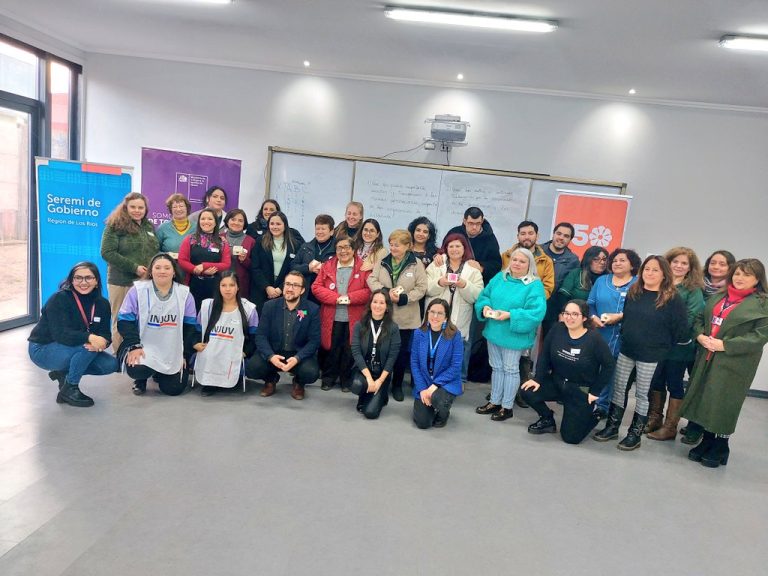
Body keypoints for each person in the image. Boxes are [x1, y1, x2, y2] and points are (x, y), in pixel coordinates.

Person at [593, 255, 688, 450]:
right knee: (619, 389)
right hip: (628, 349)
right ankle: (612, 427)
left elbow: (680, 330)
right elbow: (627, 316)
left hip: (652, 356)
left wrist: (661, 346)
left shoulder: (672, 298)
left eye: (655, 270)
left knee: (642, 394)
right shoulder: (634, 291)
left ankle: (634, 434)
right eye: (647, 269)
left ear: (664, 274)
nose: (650, 273)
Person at [680, 258, 768, 468]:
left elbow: (759, 336)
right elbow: (700, 318)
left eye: (747, 274)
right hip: (707, 356)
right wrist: (700, 336)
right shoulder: (720, 296)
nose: (740, 278)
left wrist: (725, 345)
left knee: (725, 402)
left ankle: (721, 445)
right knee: (706, 398)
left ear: (757, 279)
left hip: (735, 362)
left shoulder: (763, 303)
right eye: (737, 273)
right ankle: (707, 440)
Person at [520, 299, 615, 444]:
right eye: (566, 313)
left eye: (575, 314)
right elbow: (545, 355)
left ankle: (594, 414)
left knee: (571, 438)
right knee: (527, 390)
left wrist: (595, 391)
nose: (569, 318)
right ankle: (547, 418)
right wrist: (538, 379)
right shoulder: (557, 329)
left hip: (580, 390)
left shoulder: (594, 339)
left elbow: (609, 365)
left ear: (584, 318)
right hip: (557, 382)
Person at [28, 262, 119, 407]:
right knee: (86, 346)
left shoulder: (102, 304)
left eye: (88, 278)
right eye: (78, 278)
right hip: (43, 348)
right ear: (71, 280)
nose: (83, 282)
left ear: (96, 281)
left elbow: (105, 333)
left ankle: (63, 374)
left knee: (110, 364)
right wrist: (90, 338)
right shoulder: (59, 299)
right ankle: (70, 388)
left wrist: (103, 343)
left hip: (74, 346)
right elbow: (61, 334)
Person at [474, 247, 546, 422]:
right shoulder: (500, 277)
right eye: (514, 260)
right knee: (496, 367)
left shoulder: (534, 285)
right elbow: (485, 295)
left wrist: (511, 315)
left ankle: (506, 407)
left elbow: (536, 312)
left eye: (522, 261)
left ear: (529, 265)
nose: (517, 264)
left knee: (511, 369)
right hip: (494, 331)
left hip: (514, 336)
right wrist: (485, 307)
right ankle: (494, 401)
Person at [117, 253, 197, 396]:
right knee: (137, 369)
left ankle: (159, 373)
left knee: (174, 389)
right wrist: (134, 346)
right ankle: (141, 379)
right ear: (151, 271)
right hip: (144, 346)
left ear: (174, 272)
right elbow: (124, 321)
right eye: (158, 267)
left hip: (172, 348)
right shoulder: (137, 290)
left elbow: (190, 326)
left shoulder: (184, 294)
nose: (162, 271)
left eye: (167, 268)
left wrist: (184, 354)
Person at [646, 247, 705, 440]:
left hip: (679, 347)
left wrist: (665, 332)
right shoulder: (660, 284)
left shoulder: (693, 290)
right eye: (675, 262)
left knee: (674, 383)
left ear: (690, 267)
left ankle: (670, 427)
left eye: (684, 263)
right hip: (657, 345)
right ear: (668, 263)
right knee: (656, 381)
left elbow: (691, 317)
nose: (679, 266)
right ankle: (654, 418)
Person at [679, 249, 735, 444]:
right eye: (713, 263)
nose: (716, 267)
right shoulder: (696, 284)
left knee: (705, 385)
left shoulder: (730, 291)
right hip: (694, 340)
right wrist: (699, 334)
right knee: (693, 383)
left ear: (730, 268)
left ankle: (698, 426)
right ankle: (692, 420)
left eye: (722, 264)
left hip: (714, 345)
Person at [367, 229, 427, 402]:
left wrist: (404, 298)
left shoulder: (416, 264)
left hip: (407, 318)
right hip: (385, 316)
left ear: (408, 246)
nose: (393, 248)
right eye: (391, 244)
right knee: (383, 352)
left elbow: (422, 288)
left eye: (397, 245)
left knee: (400, 354)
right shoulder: (383, 261)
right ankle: (383, 383)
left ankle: (397, 385)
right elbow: (371, 279)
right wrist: (385, 292)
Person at [245, 271, 321, 400]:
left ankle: (299, 383)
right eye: (288, 284)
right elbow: (261, 336)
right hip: (274, 352)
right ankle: (270, 379)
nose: (290, 288)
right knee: (252, 368)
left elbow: (314, 341)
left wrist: (297, 358)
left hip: (298, 354)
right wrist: (270, 356)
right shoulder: (269, 306)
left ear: (302, 290)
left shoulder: (312, 309)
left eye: (295, 285)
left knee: (311, 373)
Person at [311, 236, 371, 392]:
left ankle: (346, 380)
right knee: (331, 348)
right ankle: (328, 378)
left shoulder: (363, 267)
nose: (343, 251)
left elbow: (369, 291)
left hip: (354, 317)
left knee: (349, 349)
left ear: (353, 249)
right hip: (332, 316)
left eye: (347, 247)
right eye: (339, 248)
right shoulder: (327, 266)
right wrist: (336, 298)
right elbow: (316, 287)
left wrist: (350, 298)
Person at [100, 192, 159, 349]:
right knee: (121, 319)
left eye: (141, 207)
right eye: (133, 207)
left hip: (145, 282)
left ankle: (138, 353)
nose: (137, 210)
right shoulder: (115, 225)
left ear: (146, 209)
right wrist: (134, 268)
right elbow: (107, 252)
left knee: (142, 319)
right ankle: (120, 354)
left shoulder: (148, 226)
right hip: (121, 282)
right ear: (126, 207)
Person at [587, 247, 641, 414]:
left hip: (624, 337)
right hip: (599, 333)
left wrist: (620, 316)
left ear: (632, 265)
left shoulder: (639, 283)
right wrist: (593, 317)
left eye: (622, 260)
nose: (617, 263)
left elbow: (642, 309)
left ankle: (603, 406)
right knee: (592, 369)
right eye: (615, 260)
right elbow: (590, 304)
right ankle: (588, 402)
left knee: (612, 374)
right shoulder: (601, 281)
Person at [425, 233, 483, 378]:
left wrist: (464, 285)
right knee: (435, 347)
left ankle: (459, 380)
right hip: (438, 315)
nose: (454, 249)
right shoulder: (436, 265)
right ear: (446, 248)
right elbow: (425, 289)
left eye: (458, 246)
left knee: (459, 348)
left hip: (460, 316)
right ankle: (432, 378)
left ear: (464, 248)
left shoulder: (473, 269)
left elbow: (478, 295)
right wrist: (440, 282)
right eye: (451, 246)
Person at [193, 271, 259, 396]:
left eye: (232, 285)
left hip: (235, 353)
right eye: (223, 285)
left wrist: (245, 352)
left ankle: (234, 377)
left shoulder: (249, 309)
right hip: (210, 351)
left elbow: (255, 337)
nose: (227, 289)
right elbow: (196, 330)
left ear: (238, 287)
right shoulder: (207, 306)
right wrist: (195, 343)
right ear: (218, 287)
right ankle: (210, 383)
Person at [410, 298, 464, 429]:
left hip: (446, 382)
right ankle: (429, 406)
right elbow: (415, 363)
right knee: (423, 423)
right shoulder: (418, 333)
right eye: (432, 312)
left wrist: (434, 386)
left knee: (438, 399)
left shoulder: (455, 335)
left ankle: (443, 412)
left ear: (446, 316)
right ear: (427, 313)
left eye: (440, 313)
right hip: (425, 382)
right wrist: (422, 389)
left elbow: (456, 366)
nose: (435, 316)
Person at [349, 289, 401, 419]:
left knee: (370, 413)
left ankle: (381, 395)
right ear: (370, 304)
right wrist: (368, 378)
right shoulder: (359, 325)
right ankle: (365, 393)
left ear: (387, 307)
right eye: (375, 302)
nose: (377, 306)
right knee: (356, 385)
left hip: (381, 373)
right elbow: (356, 352)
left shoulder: (393, 328)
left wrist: (379, 381)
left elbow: (392, 357)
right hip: (363, 370)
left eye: (382, 303)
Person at [249, 211, 305, 312]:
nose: (275, 227)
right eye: (272, 224)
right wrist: (267, 287)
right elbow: (255, 267)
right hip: (261, 291)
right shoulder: (260, 241)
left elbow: (295, 270)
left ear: (285, 225)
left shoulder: (295, 245)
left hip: (285, 291)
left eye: (278, 224)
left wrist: (281, 288)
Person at [177, 208, 232, 310]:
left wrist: (204, 266)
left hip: (215, 286)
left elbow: (226, 264)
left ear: (215, 222)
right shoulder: (190, 239)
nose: (206, 221)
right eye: (203, 219)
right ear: (199, 222)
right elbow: (182, 260)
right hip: (193, 284)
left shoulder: (222, 242)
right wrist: (197, 270)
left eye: (210, 219)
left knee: (212, 313)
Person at [439, 206, 501, 286]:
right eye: (471, 223)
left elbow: (496, 264)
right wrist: (437, 256)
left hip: (477, 283)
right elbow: (442, 252)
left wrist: (482, 268)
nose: (474, 227)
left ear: (482, 221)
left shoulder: (490, 238)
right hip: (451, 279)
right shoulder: (454, 232)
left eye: (478, 223)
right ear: (464, 221)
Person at [540, 222, 580, 335]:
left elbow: (570, 289)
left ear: (570, 240)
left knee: (549, 340)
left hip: (554, 309)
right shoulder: (538, 251)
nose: (561, 238)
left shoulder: (573, 260)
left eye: (566, 236)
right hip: (531, 303)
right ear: (553, 234)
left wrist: (564, 311)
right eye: (559, 234)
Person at [501, 220, 555, 299]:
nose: (527, 237)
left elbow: (547, 288)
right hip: (505, 299)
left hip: (531, 303)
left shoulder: (546, 261)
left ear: (537, 236)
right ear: (518, 236)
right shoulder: (506, 256)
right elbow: (498, 280)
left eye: (530, 233)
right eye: (523, 234)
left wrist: (531, 300)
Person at [292, 214, 337, 303]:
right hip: (306, 295)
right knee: (304, 311)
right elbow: (293, 266)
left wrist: (325, 269)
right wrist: (308, 268)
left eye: (323, 229)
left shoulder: (338, 249)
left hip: (327, 294)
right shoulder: (305, 247)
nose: (319, 232)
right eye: (317, 229)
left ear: (331, 231)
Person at [221, 208, 256, 298]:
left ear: (244, 224)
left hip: (241, 284)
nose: (236, 223)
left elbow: (254, 266)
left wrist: (244, 260)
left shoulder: (251, 241)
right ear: (227, 221)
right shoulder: (218, 238)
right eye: (233, 219)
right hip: (220, 281)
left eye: (240, 221)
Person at [155, 193, 194, 260]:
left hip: (191, 265)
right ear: (171, 210)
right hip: (169, 264)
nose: (178, 209)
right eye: (174, 207)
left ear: (187, 208)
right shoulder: (162, 228)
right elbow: (155, 250)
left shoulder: (196, 228)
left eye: (181, 206)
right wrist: (167, 255)